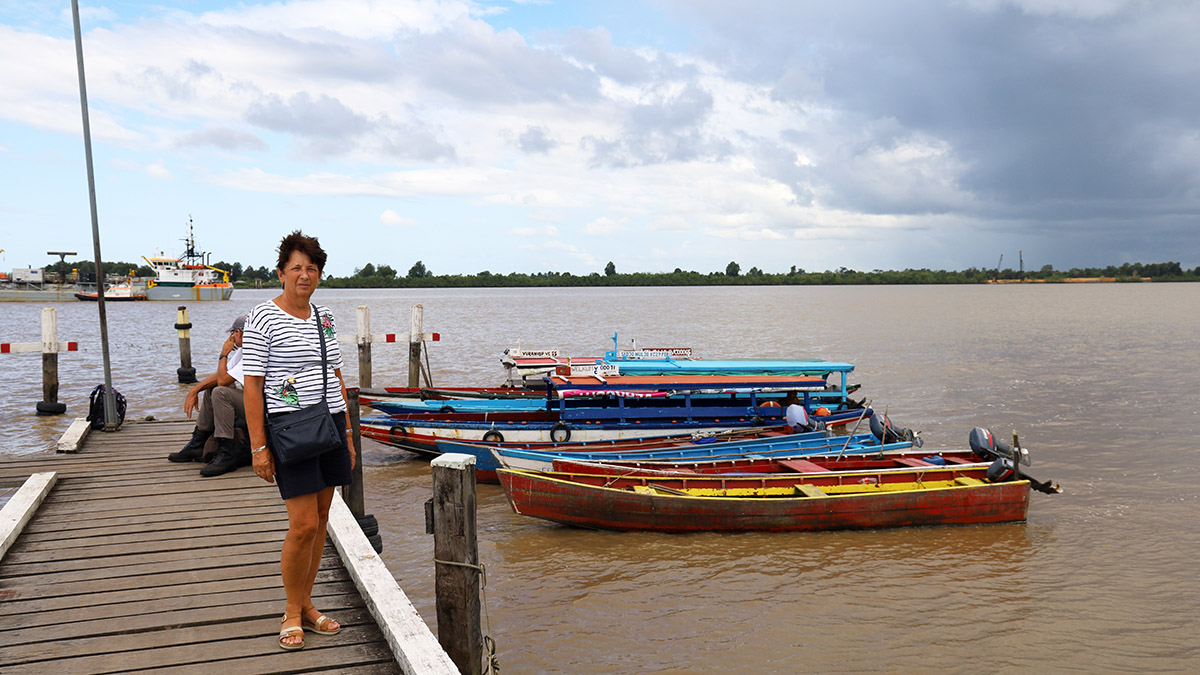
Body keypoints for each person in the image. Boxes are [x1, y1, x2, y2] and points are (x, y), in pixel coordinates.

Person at [242, 231, 356, 652]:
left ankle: (308, 604)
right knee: (303, 523)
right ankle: (291, 610)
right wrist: (258, 447)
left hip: (330, 423)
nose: (304, 275)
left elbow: (337, 376)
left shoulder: (324, 316)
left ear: (319, 274)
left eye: (311, 268)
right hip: (290, 427)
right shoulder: (263, 317)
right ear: (281, 273)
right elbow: (252, 386)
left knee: (323, 518)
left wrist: (347, 436)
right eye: (296, 268)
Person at [168, 315, 251, 477]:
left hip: (262, 407)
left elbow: (223, 380)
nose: (231, 337)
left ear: (239, 333)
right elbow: (223, 374)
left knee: (221, 392)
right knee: (211, 389)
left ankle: (226, 454)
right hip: (250, 401)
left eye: (233, 333)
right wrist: (195, 389)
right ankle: (197, 444)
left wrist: (223, 353)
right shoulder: (243, 351)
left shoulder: (254, 352)